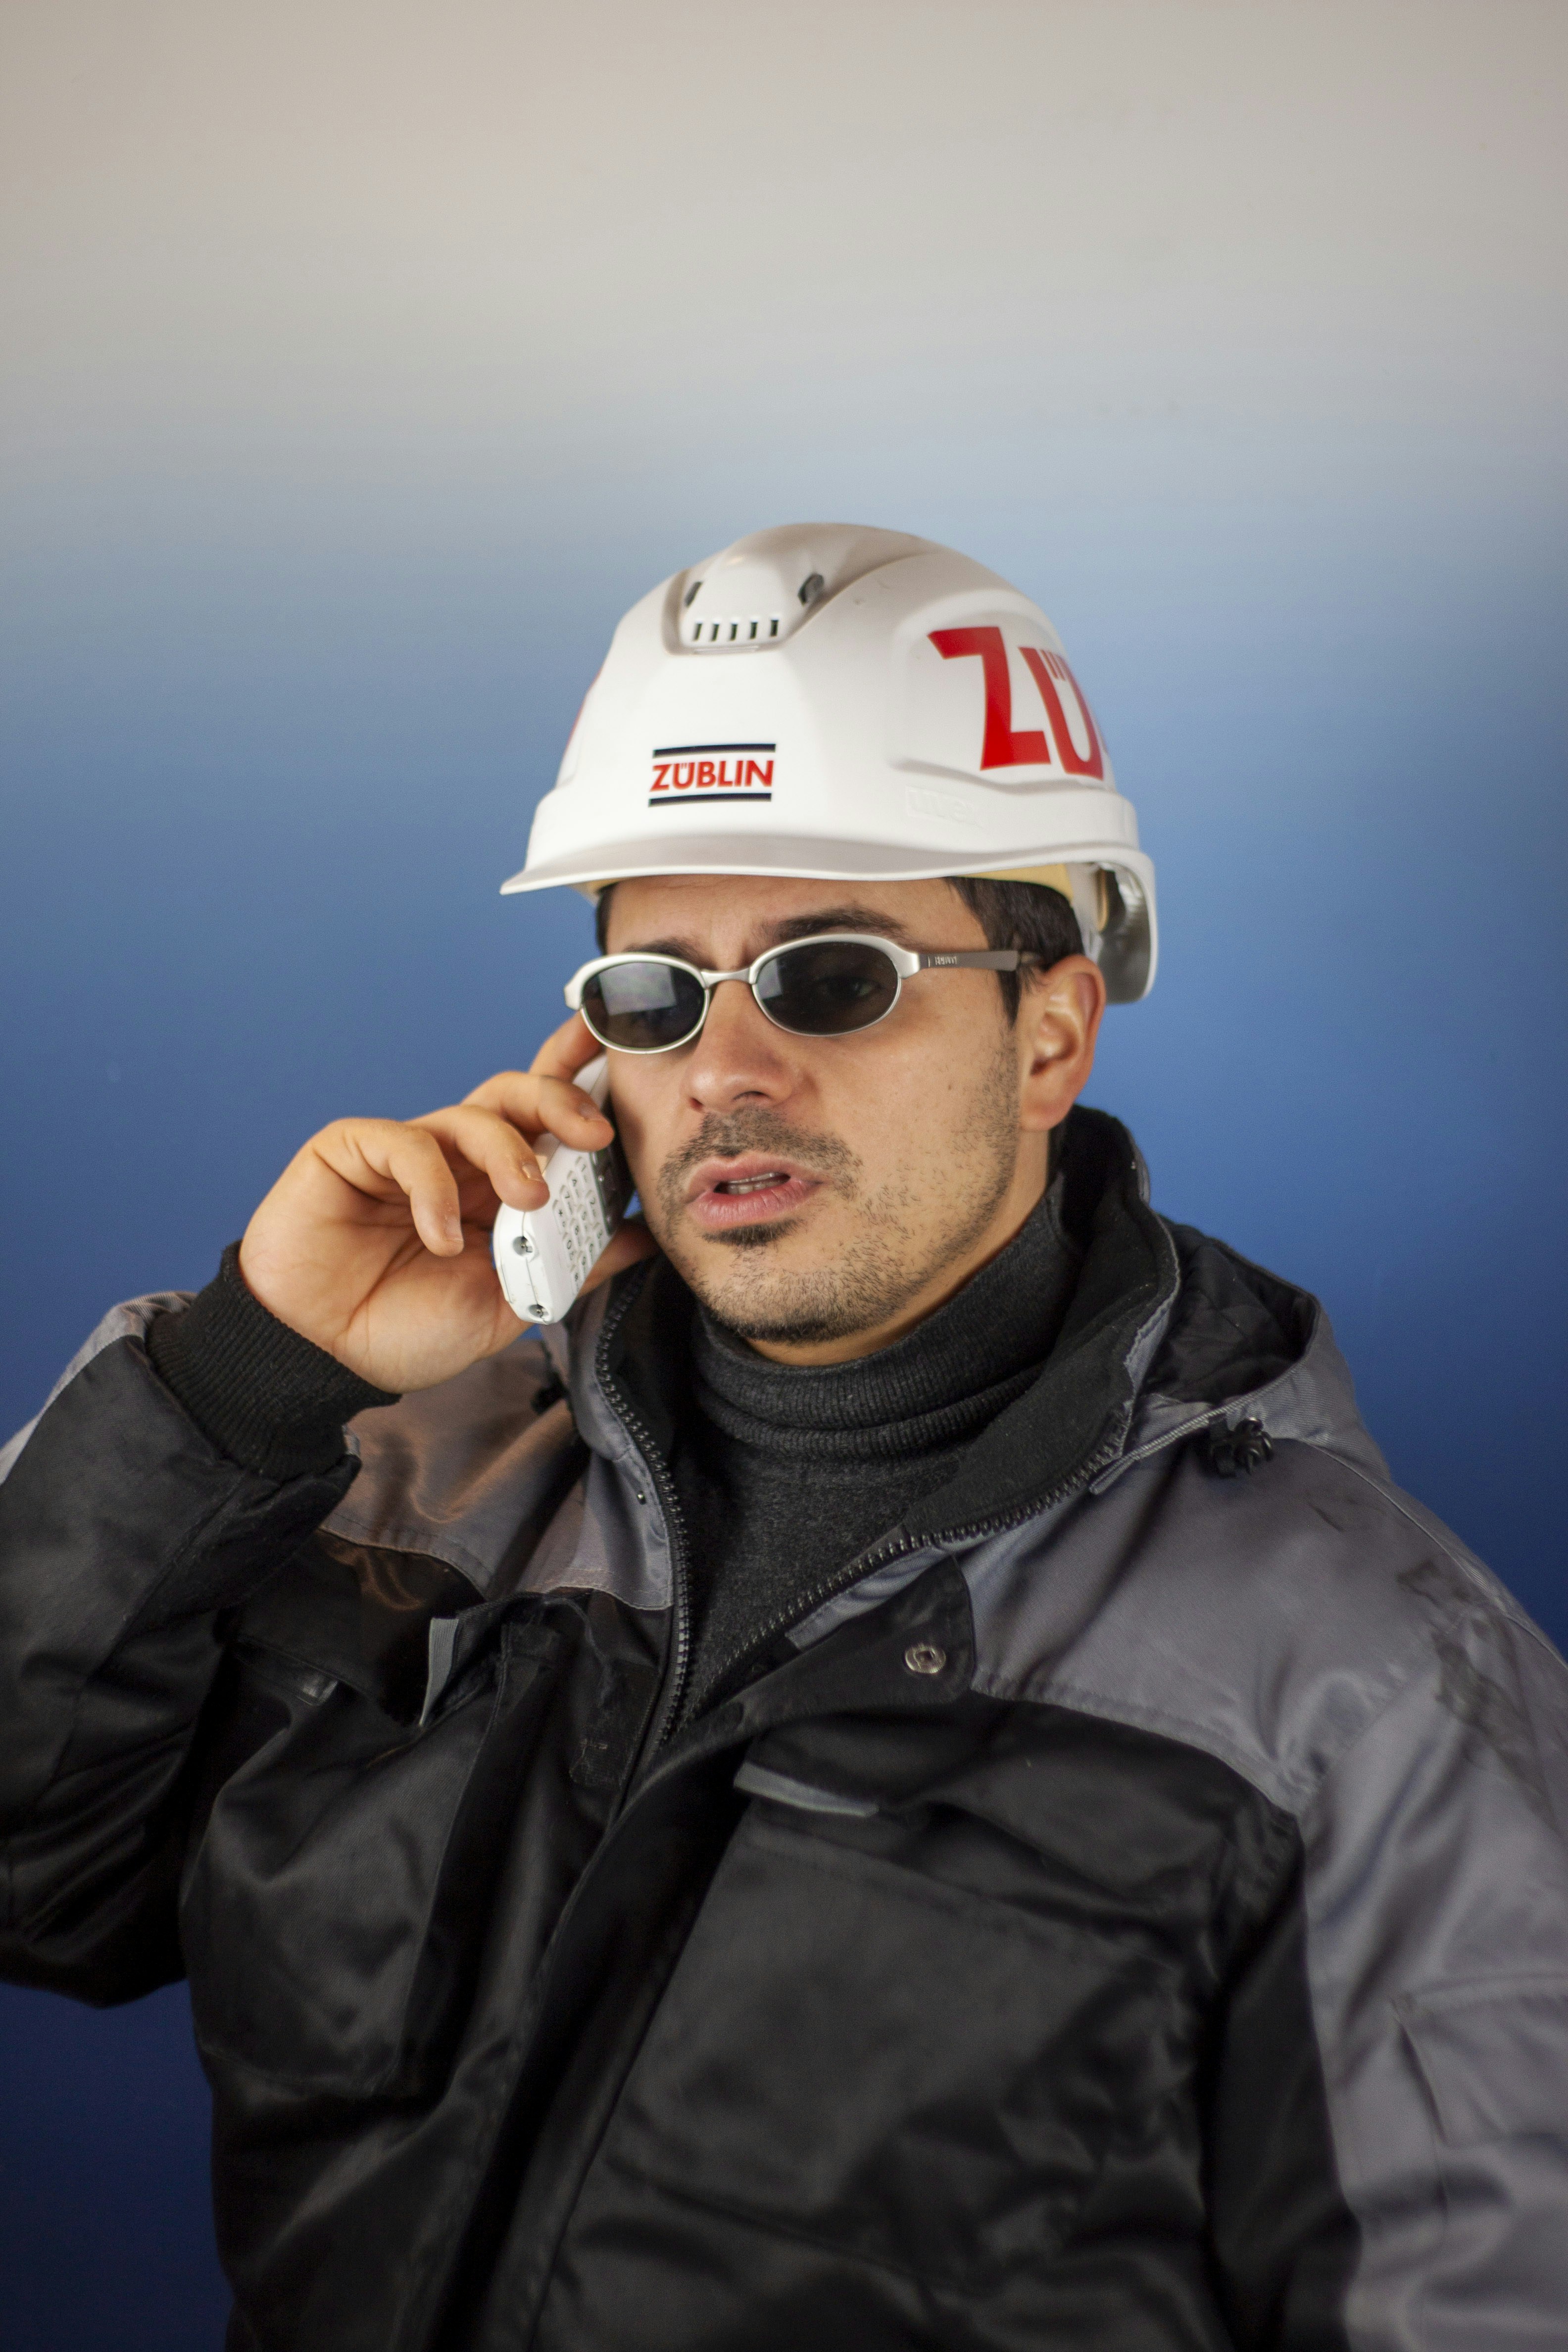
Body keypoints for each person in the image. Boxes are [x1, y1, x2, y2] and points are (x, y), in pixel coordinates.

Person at [2, 524, 1565, 2352]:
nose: (729, 1069)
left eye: (834, 977)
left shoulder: (1364, 1694)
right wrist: (250, 1377)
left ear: (1051, 1032)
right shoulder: (405, 1487)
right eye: (653, 998)